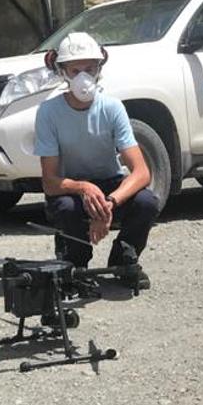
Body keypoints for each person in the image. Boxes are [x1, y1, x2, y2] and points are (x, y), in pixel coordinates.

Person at [34, 32, 159, 289]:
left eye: (89, 68)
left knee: (147, 202)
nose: (83, 76)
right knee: (66, 208)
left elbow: (141, 173)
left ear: (99, 68)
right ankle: (75, 264)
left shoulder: (112, 108)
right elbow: (50, 181)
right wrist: (83, 188)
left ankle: (124, 259)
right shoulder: (48, 112)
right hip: (71, 190)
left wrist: (109, 203)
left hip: (109, 187)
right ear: (63, 71)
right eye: (76, 69)